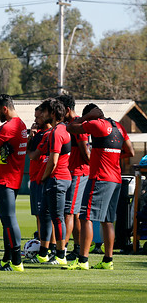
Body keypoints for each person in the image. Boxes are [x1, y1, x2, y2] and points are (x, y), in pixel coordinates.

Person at [64, 104, 133, 270]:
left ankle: (83, 260)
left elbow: (71, 128)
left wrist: (86, 118)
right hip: (116, 179)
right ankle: (108, 260)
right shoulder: (119, 126)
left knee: (85, 217)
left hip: (100, 178)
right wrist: (111, 156)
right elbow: (129, 151)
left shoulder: (97, 124)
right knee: (108, 221)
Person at [0, 94, 27, 272]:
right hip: (14, 177)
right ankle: (6, 259)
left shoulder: (9, 127)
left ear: (4, 108)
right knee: (6, 220)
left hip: (4, 179)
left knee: (8, 219)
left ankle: (17, 261)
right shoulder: (22, 124)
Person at [30, 98, 71, 265]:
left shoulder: (57, 132)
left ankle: (61, 255)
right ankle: (43, 253)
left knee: (57, 218)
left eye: (45, 111)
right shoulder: (57, 130)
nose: (42, 114)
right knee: (45, 216)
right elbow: (36, 154)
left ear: (52, 114)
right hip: (55, 179)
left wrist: (43, 177)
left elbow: (53, 161)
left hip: (57, 179)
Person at [56, 94, 90, 261]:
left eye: (60, 109)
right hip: (70, 172)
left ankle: (61, 251)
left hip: (78, 172)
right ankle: (77, 248)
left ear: (67, 109)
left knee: (68, 212)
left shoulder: (78, 124)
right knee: (73, 214)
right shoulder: (68, 124)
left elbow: (85, 152)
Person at [27, 106, 53, 241]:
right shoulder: (37, 133)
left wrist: (31, 152)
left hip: (42, 177)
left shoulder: (50, 134)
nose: (36, 120)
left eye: (38, 117)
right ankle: (41, 242)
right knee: (38, 214)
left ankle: (47, 245)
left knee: (45, 215)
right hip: (34, 177)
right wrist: (30, 137)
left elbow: (33, 156)